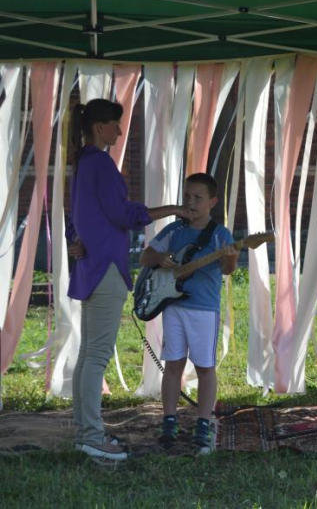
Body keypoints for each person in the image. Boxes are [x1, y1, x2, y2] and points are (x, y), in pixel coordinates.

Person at [66, 99, 191, 461]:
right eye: (116, 125)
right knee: (96, 356)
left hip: (92, 266)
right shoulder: (100, 163)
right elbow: (122, 214)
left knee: (88, 354)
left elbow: (77, 216)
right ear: (100, 127)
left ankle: (84, 432)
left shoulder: (83, 162)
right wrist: (173, 209)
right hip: (104, 267)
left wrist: (76, 239)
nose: (120, 132)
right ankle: (92, 436)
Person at [140, 173, 238, 454]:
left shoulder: (221, 235)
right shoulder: (174, 230)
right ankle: (169, 420)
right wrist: (161, 258)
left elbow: (228, 270)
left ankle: (203, 422)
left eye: (198, 198)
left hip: (204, 309)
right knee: (173, 364)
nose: (191, 203)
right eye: (187, 197)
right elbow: (145, 257)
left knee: (205, 367)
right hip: (173, 306)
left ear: (212, 202)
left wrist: (231, 256)